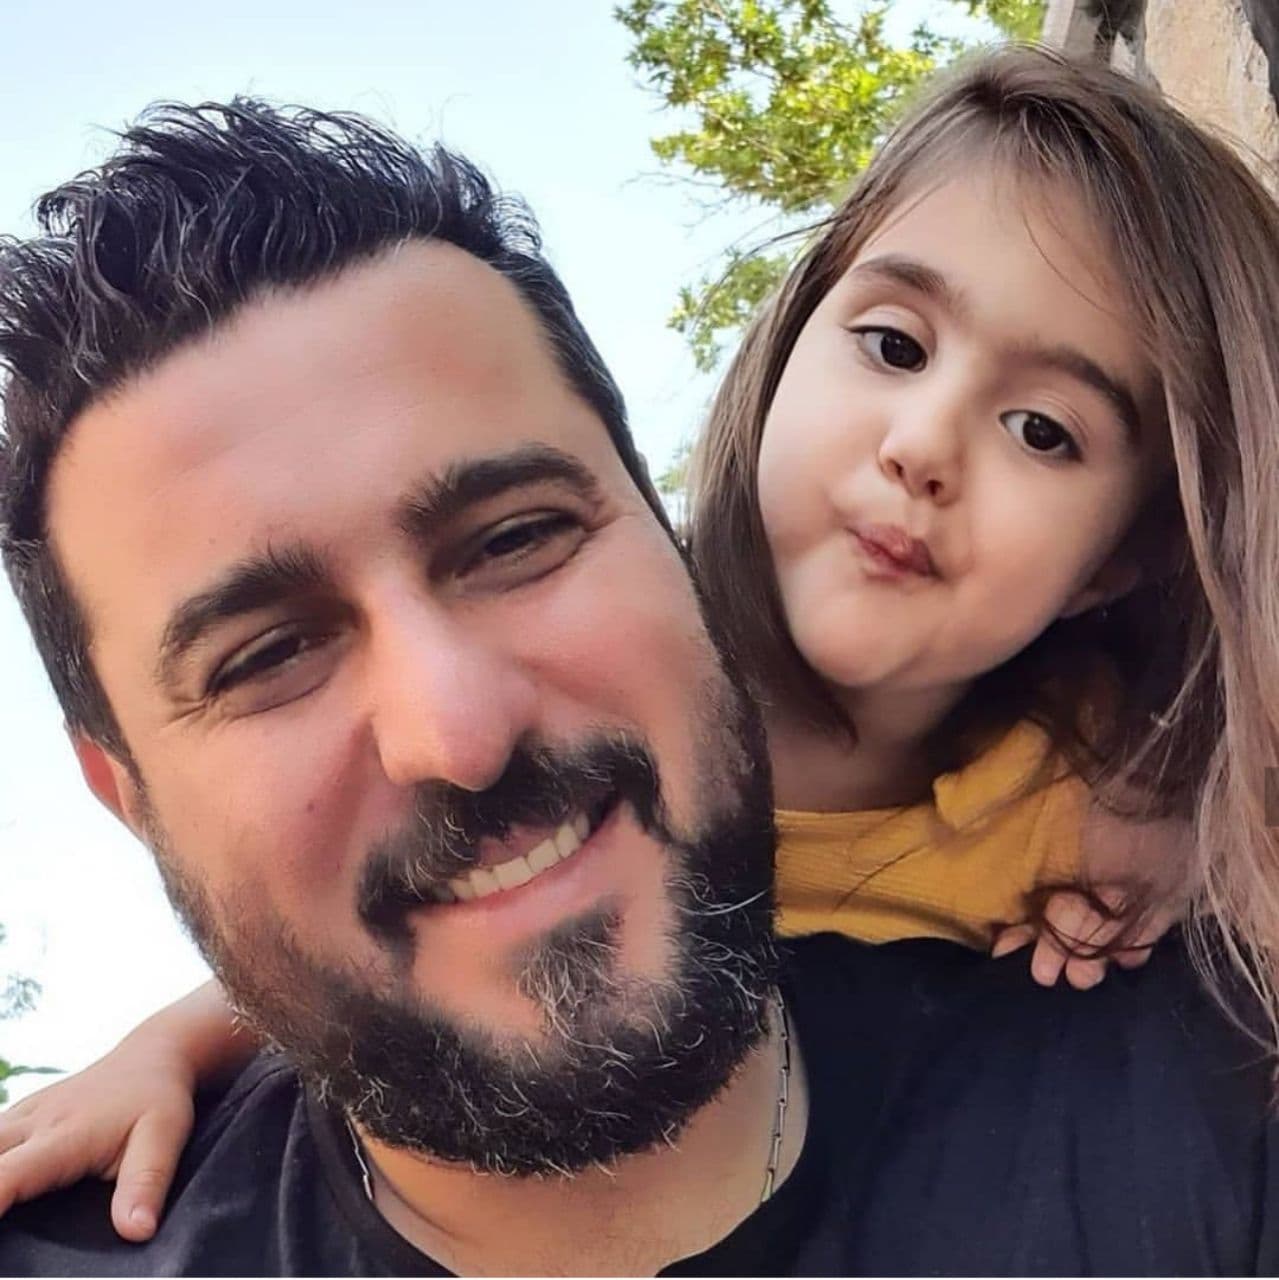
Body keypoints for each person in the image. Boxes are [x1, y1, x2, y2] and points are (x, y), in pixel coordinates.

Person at [1, 52, 1279, 1275]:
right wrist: (175, 1038)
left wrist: (1187, 849)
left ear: (1121, 558)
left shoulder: (1112, 813)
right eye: (893, 345)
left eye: (1045, 428)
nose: (923, 445)